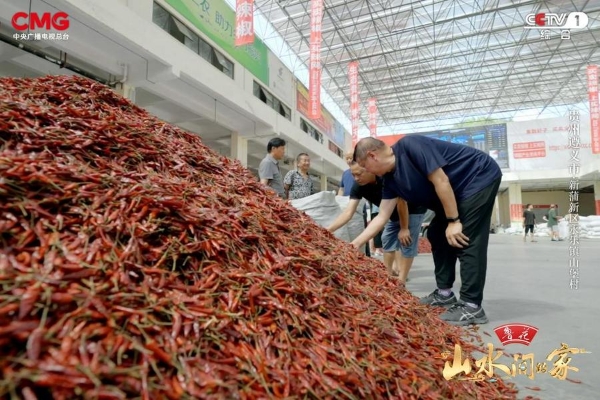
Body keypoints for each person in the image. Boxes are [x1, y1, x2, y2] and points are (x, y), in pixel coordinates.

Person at [351, 136, 502, 326]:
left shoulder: (410, 146)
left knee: (465, 238)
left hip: (476, 177)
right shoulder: (389, 180)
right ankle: (445, 293)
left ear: (372, 156)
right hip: (454, 192)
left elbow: (441, 180)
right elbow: (381, 216)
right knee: (437, 234)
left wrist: (454, 221)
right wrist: (355, 244)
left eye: (365, 167)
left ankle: (472, 306)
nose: (367, 172)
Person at [327, 162, 426, 285]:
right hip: (391, 213)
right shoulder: (358, 185)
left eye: (359, 174)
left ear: (369, 169)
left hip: (412, 209)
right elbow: (348, 213)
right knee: (386, 239)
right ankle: (388, 276)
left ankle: (402, 281)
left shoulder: (387, 179)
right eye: (353, 175)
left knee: (406, 242)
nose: (356, 178)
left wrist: (404, 228)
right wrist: (327, 230)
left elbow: (402, 203)